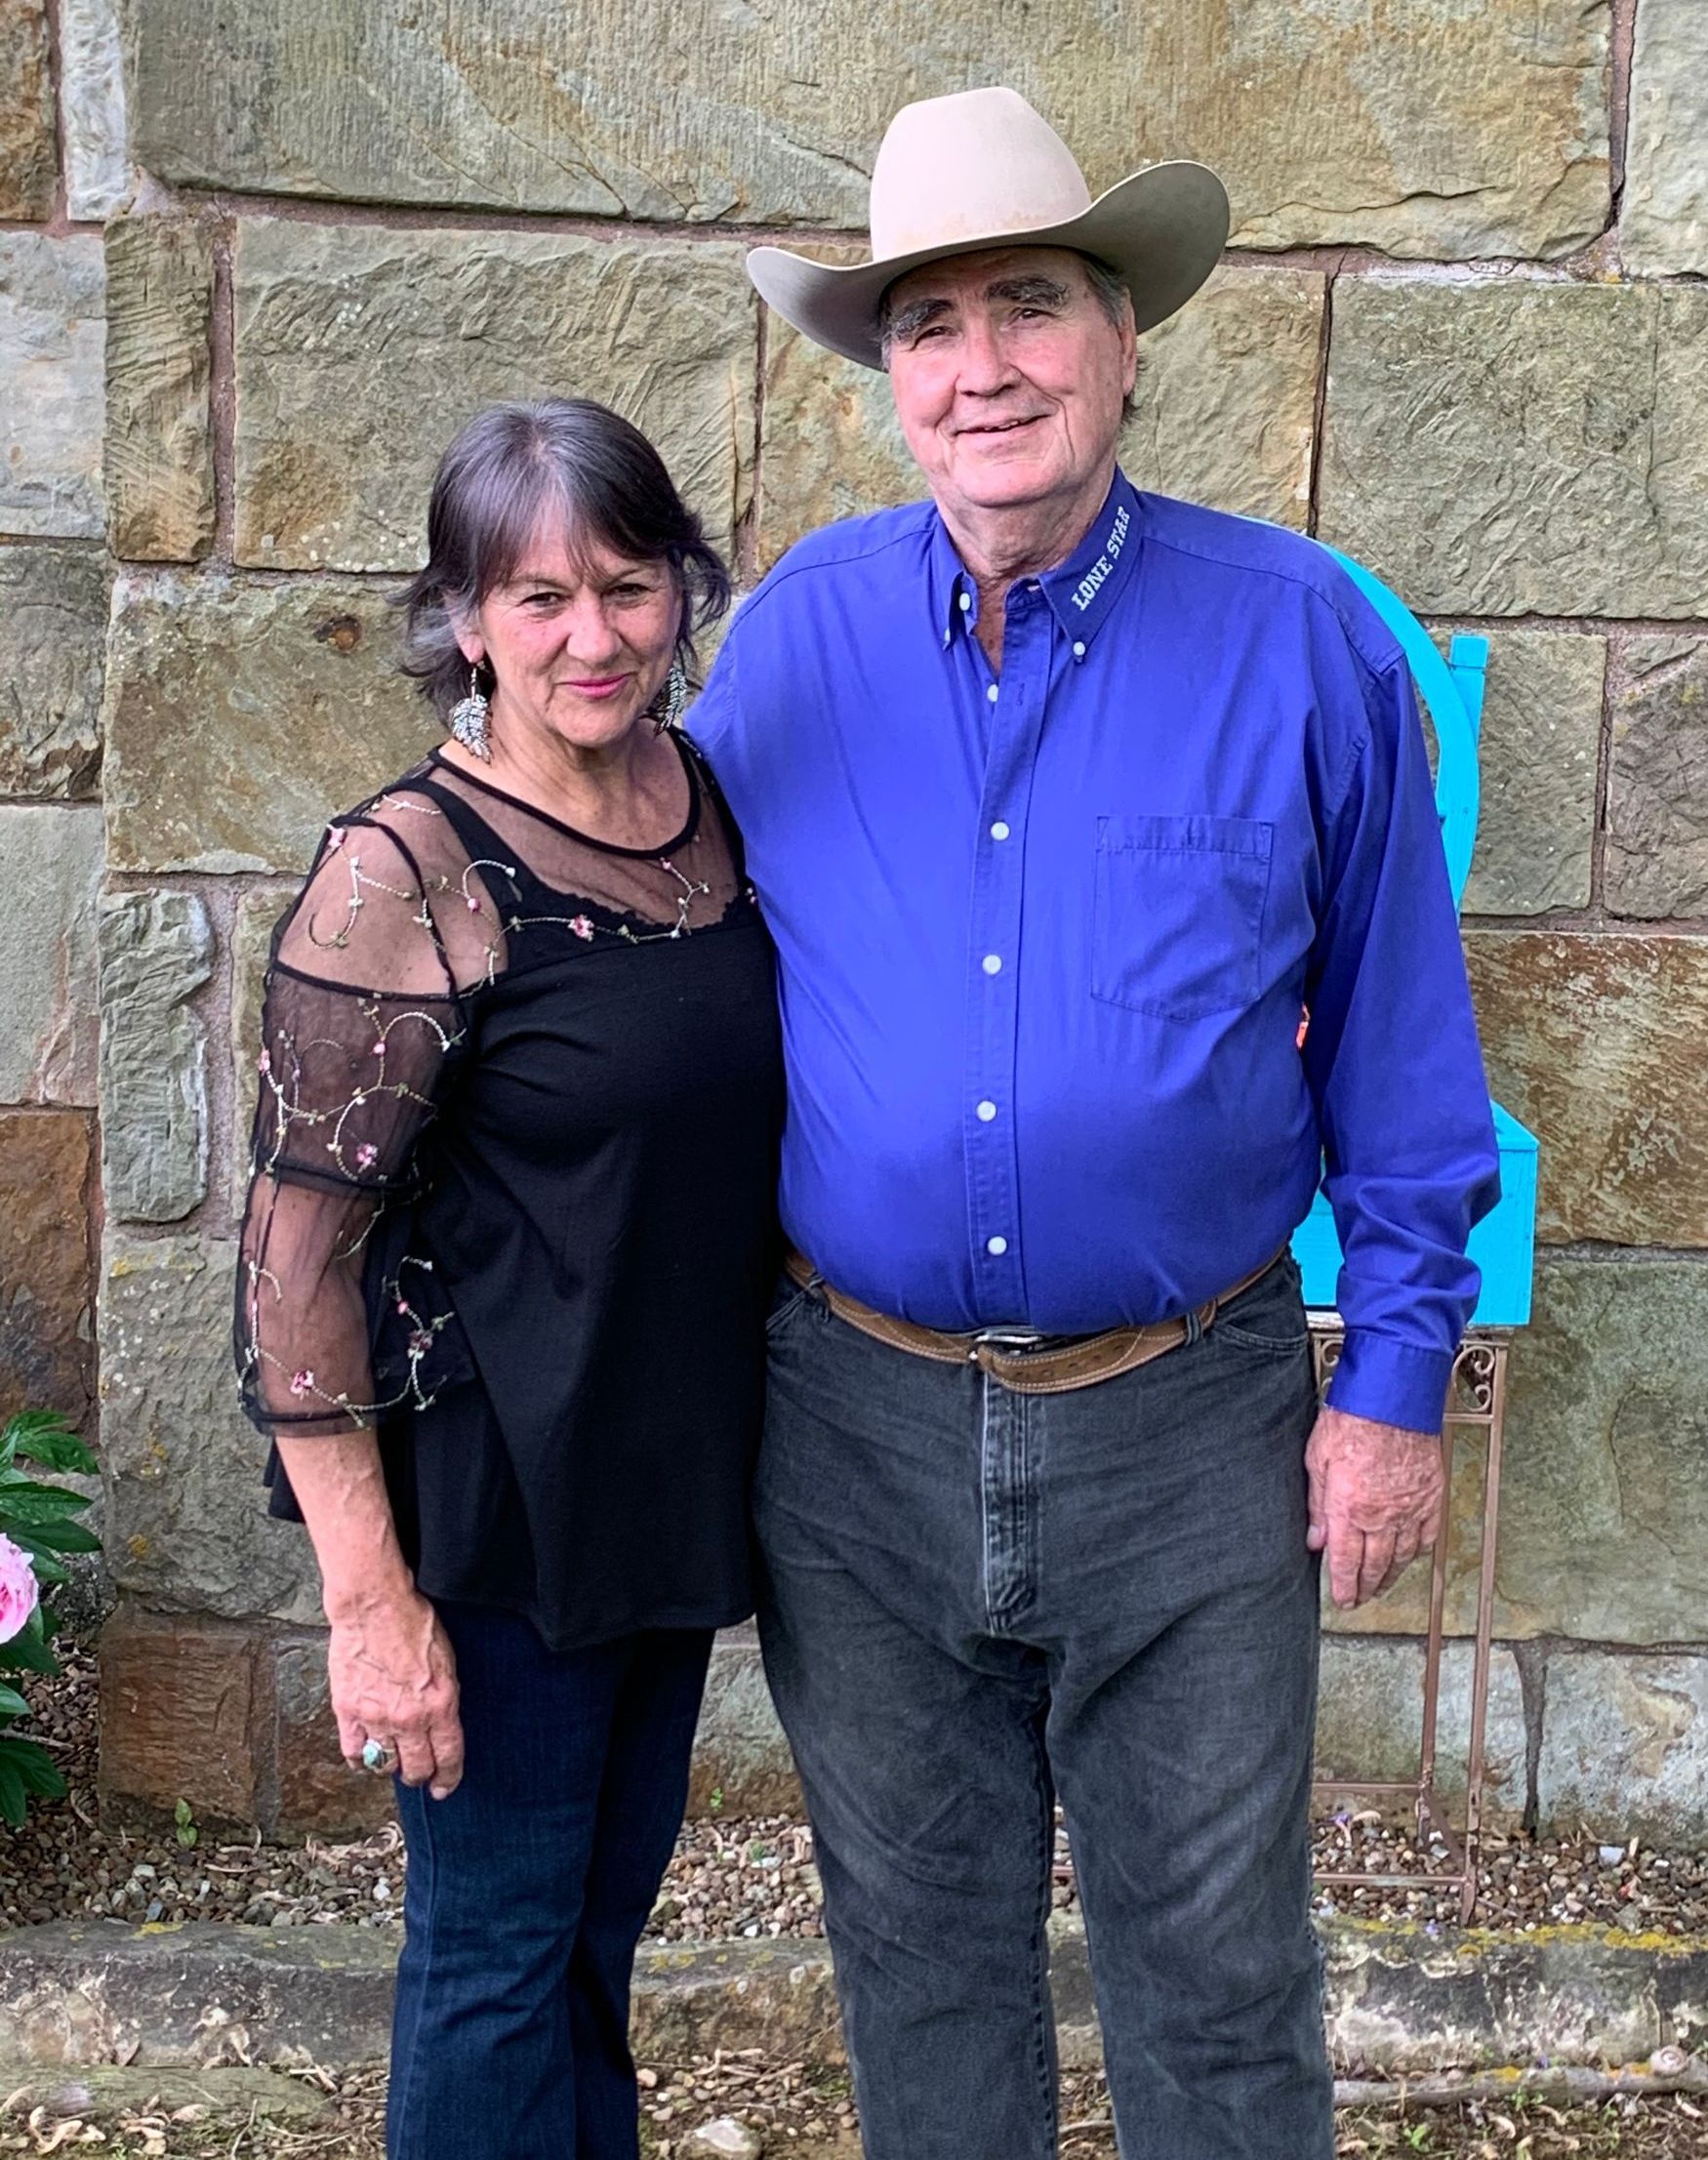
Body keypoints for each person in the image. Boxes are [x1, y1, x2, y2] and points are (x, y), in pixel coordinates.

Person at [690, 86, 1500, 2160]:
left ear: (1122, 333)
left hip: (1188, 1431)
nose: (982, 368)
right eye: (929, 325)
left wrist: (1390, 1385)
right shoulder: (789, 644)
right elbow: (642, 952)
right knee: (916, 1963)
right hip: (849, 1436)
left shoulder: (1301, 640)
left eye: (1026, 304)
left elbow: (1401, 1051)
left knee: (1218, 1981)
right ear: (887, 382)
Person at [233, 398, 784, 2160]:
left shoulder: (703, 808)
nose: (591, 638)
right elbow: (294, 1258)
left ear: (681, 588)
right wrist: (367, 1605)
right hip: (491, 1514)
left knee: (590, 1946)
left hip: (656, 1484)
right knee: (489, 1952)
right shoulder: (404, 872)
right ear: (463, 618)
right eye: (534, 599)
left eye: (625, 587)